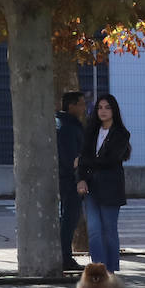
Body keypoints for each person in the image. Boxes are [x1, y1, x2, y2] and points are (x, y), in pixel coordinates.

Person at [76, 93, 131, 275]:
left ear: (114, 110)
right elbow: (83, 159)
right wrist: (81, 178)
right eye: (100, 107)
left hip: (110, 188)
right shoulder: (90, 132)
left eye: (107, 107)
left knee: (109, 230)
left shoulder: (121, 134)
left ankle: (111, 271)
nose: (103, 111)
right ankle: (98, 270)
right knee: (93, 230)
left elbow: (110, 160)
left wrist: (84, 161)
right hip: (91, 187)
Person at [55, 90, 85, 271]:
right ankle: (65, 257)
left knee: (69, 217)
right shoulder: (67, 127)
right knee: (69, 218)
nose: (84, 108)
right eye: (81, 104)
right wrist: (78, 177)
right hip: (69, 180)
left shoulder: (65, 123)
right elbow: (70, 158)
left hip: (67, 178)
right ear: (71, 106)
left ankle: (65, 255)